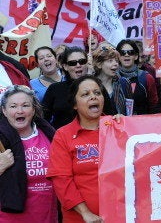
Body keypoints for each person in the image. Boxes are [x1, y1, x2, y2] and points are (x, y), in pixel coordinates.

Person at [47, 76, 112, 222]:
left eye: (97, 93)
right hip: (81, 218)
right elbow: (62, 180)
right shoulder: (63, 135)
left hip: (120, 214)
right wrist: (85, 213)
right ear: (75, 105)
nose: (93, 97)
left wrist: (127, 125)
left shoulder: (117, 128)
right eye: (85, 94)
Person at [0, 85, 57, 221]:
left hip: (47, 215)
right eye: (13, 106)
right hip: (9, 217)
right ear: (4, 111)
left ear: (33, 109)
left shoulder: (50, 134)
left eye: (25, 105)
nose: (20, 111)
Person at [42, 47, 108, 129]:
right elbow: (43, 119)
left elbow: (110, 114)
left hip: (94, 138)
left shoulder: (97, 86)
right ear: (65, 66)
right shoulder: (55, 89)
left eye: (82, 61)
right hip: (63, 139)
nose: (78, 65)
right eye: (73, 63)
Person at [116, 40, 160, 114]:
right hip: (118, 123)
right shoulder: (112, 78)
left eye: (130, 52)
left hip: (141, 123)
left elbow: (154, 106)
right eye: (122, 53)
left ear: (136, 56)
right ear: (118, 56)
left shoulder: (147, 78)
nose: (126, 55)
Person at [93, 47, 132, 115]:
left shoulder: (124, 82)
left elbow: (130, 111)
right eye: (110, 61)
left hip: (120, 124)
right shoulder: (90, 84)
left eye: (116, 60)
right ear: (99, 64)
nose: (115, 64)